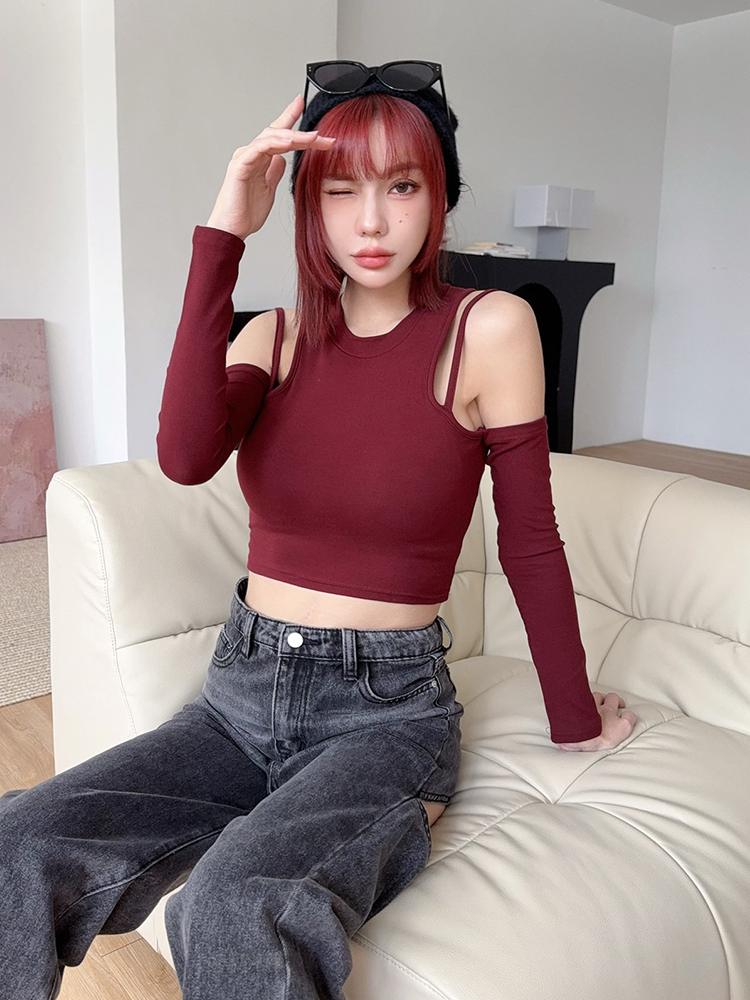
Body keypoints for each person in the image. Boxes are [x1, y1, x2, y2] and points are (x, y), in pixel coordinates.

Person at [0, 61, 636, 1000]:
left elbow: (531, 539)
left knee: (233, 901)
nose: (371, 222)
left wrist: (574, 715)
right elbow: (183, 456)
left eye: (401, 186)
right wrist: (225, 229)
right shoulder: (275, 338)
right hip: (236, 696)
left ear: (439, 197)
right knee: (16, 844)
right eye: (340, 190)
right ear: (307, 204)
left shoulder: (490, 329)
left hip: (387, 716)